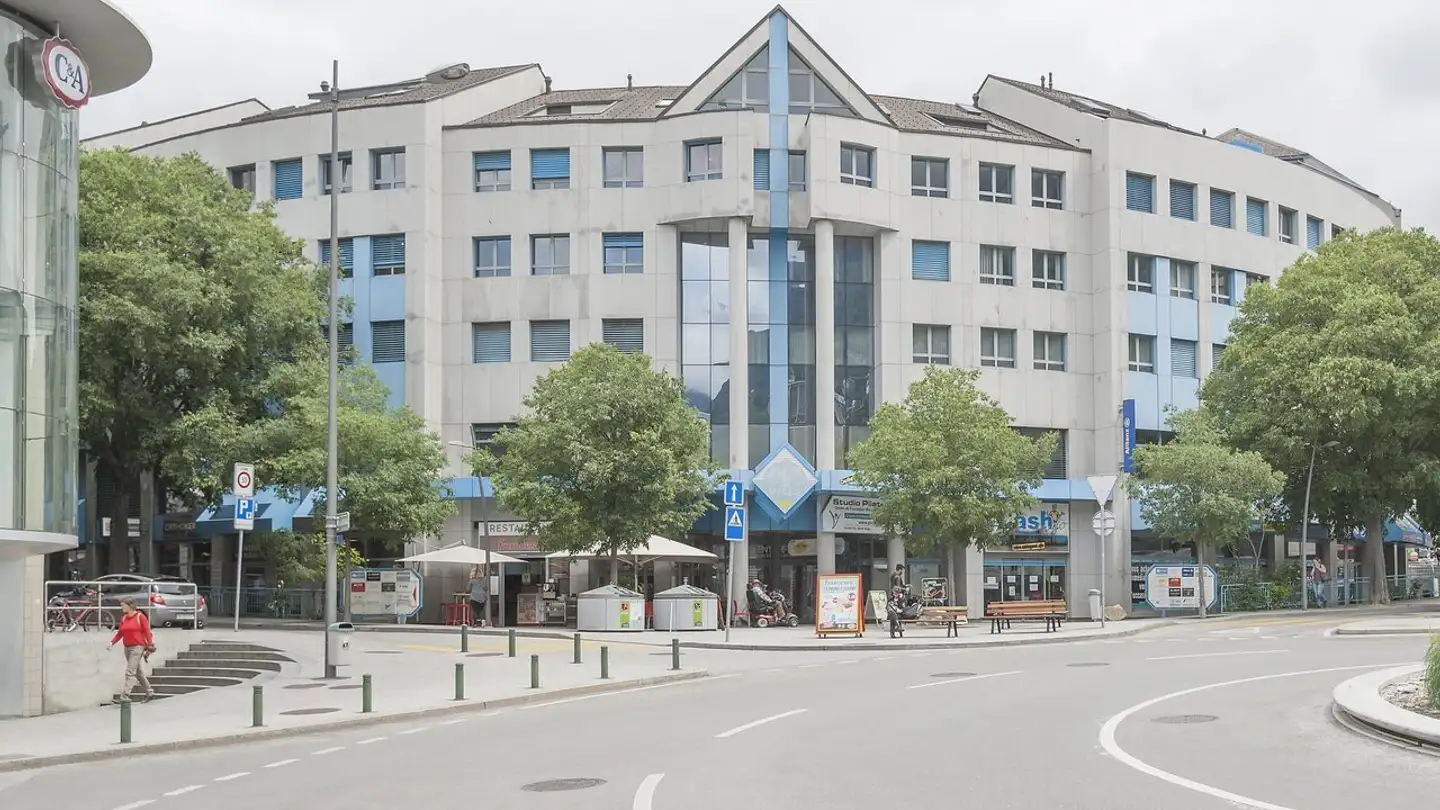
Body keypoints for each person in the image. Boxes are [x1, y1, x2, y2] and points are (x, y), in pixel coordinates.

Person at [108, 597, 155, 702]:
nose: (122, 608)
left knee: (130, 671)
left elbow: (147, 631)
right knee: (137, 672)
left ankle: (125, 696)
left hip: (138, 646)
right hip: (127, 647)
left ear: (130, 606)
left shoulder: (140, 617)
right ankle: (150, 692)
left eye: (123, 605)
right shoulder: (124, 618)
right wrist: (112, 642)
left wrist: (150, 645)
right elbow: (120, 633)